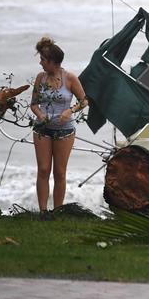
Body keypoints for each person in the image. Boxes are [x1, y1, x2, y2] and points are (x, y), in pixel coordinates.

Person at [30, 37, 87, 217]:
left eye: (43, 60)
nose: (40, 63)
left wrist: (69, 111)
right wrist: (41, 116)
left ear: (53, 62)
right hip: (42, 129)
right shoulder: (40, 77)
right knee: (44, 169)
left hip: (65, 131)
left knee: (60, 172)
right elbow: (34, 104)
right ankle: (43, 211)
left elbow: (84, 101)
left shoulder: (69, 77)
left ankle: (57, 211)